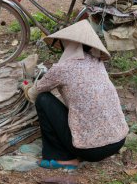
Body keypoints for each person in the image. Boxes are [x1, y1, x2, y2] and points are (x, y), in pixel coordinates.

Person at [23, 20, 129, 170]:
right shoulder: (97, 62)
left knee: (43, 99)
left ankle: (63, 158)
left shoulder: (63, 68)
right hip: (118, 141)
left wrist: (25, 86)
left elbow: (34, 94)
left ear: (68, 44)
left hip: (91, 151)